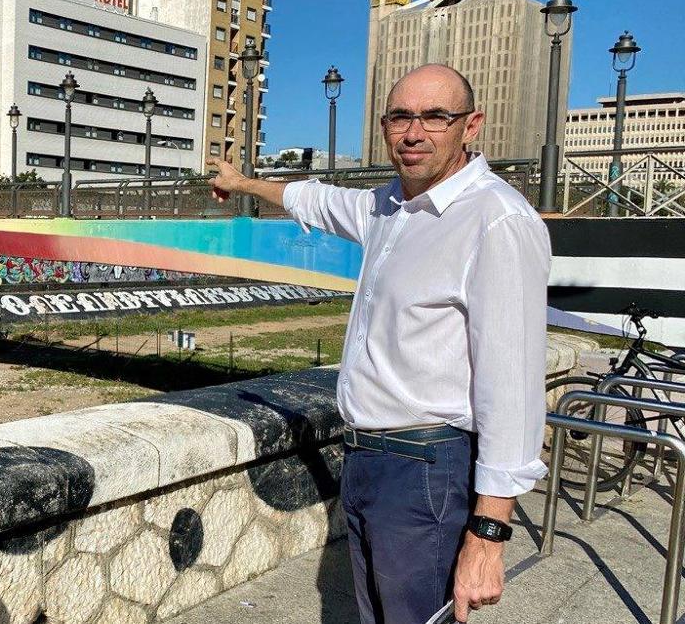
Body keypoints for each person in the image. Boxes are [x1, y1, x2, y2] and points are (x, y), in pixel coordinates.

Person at [210, 64, 550, 624]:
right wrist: (242, 182)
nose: (414, 133)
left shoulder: (496, 221)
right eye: (400, 116)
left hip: (426, 468)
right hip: (368, 459)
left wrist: (489, 535)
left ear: (472, 126)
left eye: (435, 116)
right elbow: (315, 201)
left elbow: (511, 389)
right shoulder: (389, 207)